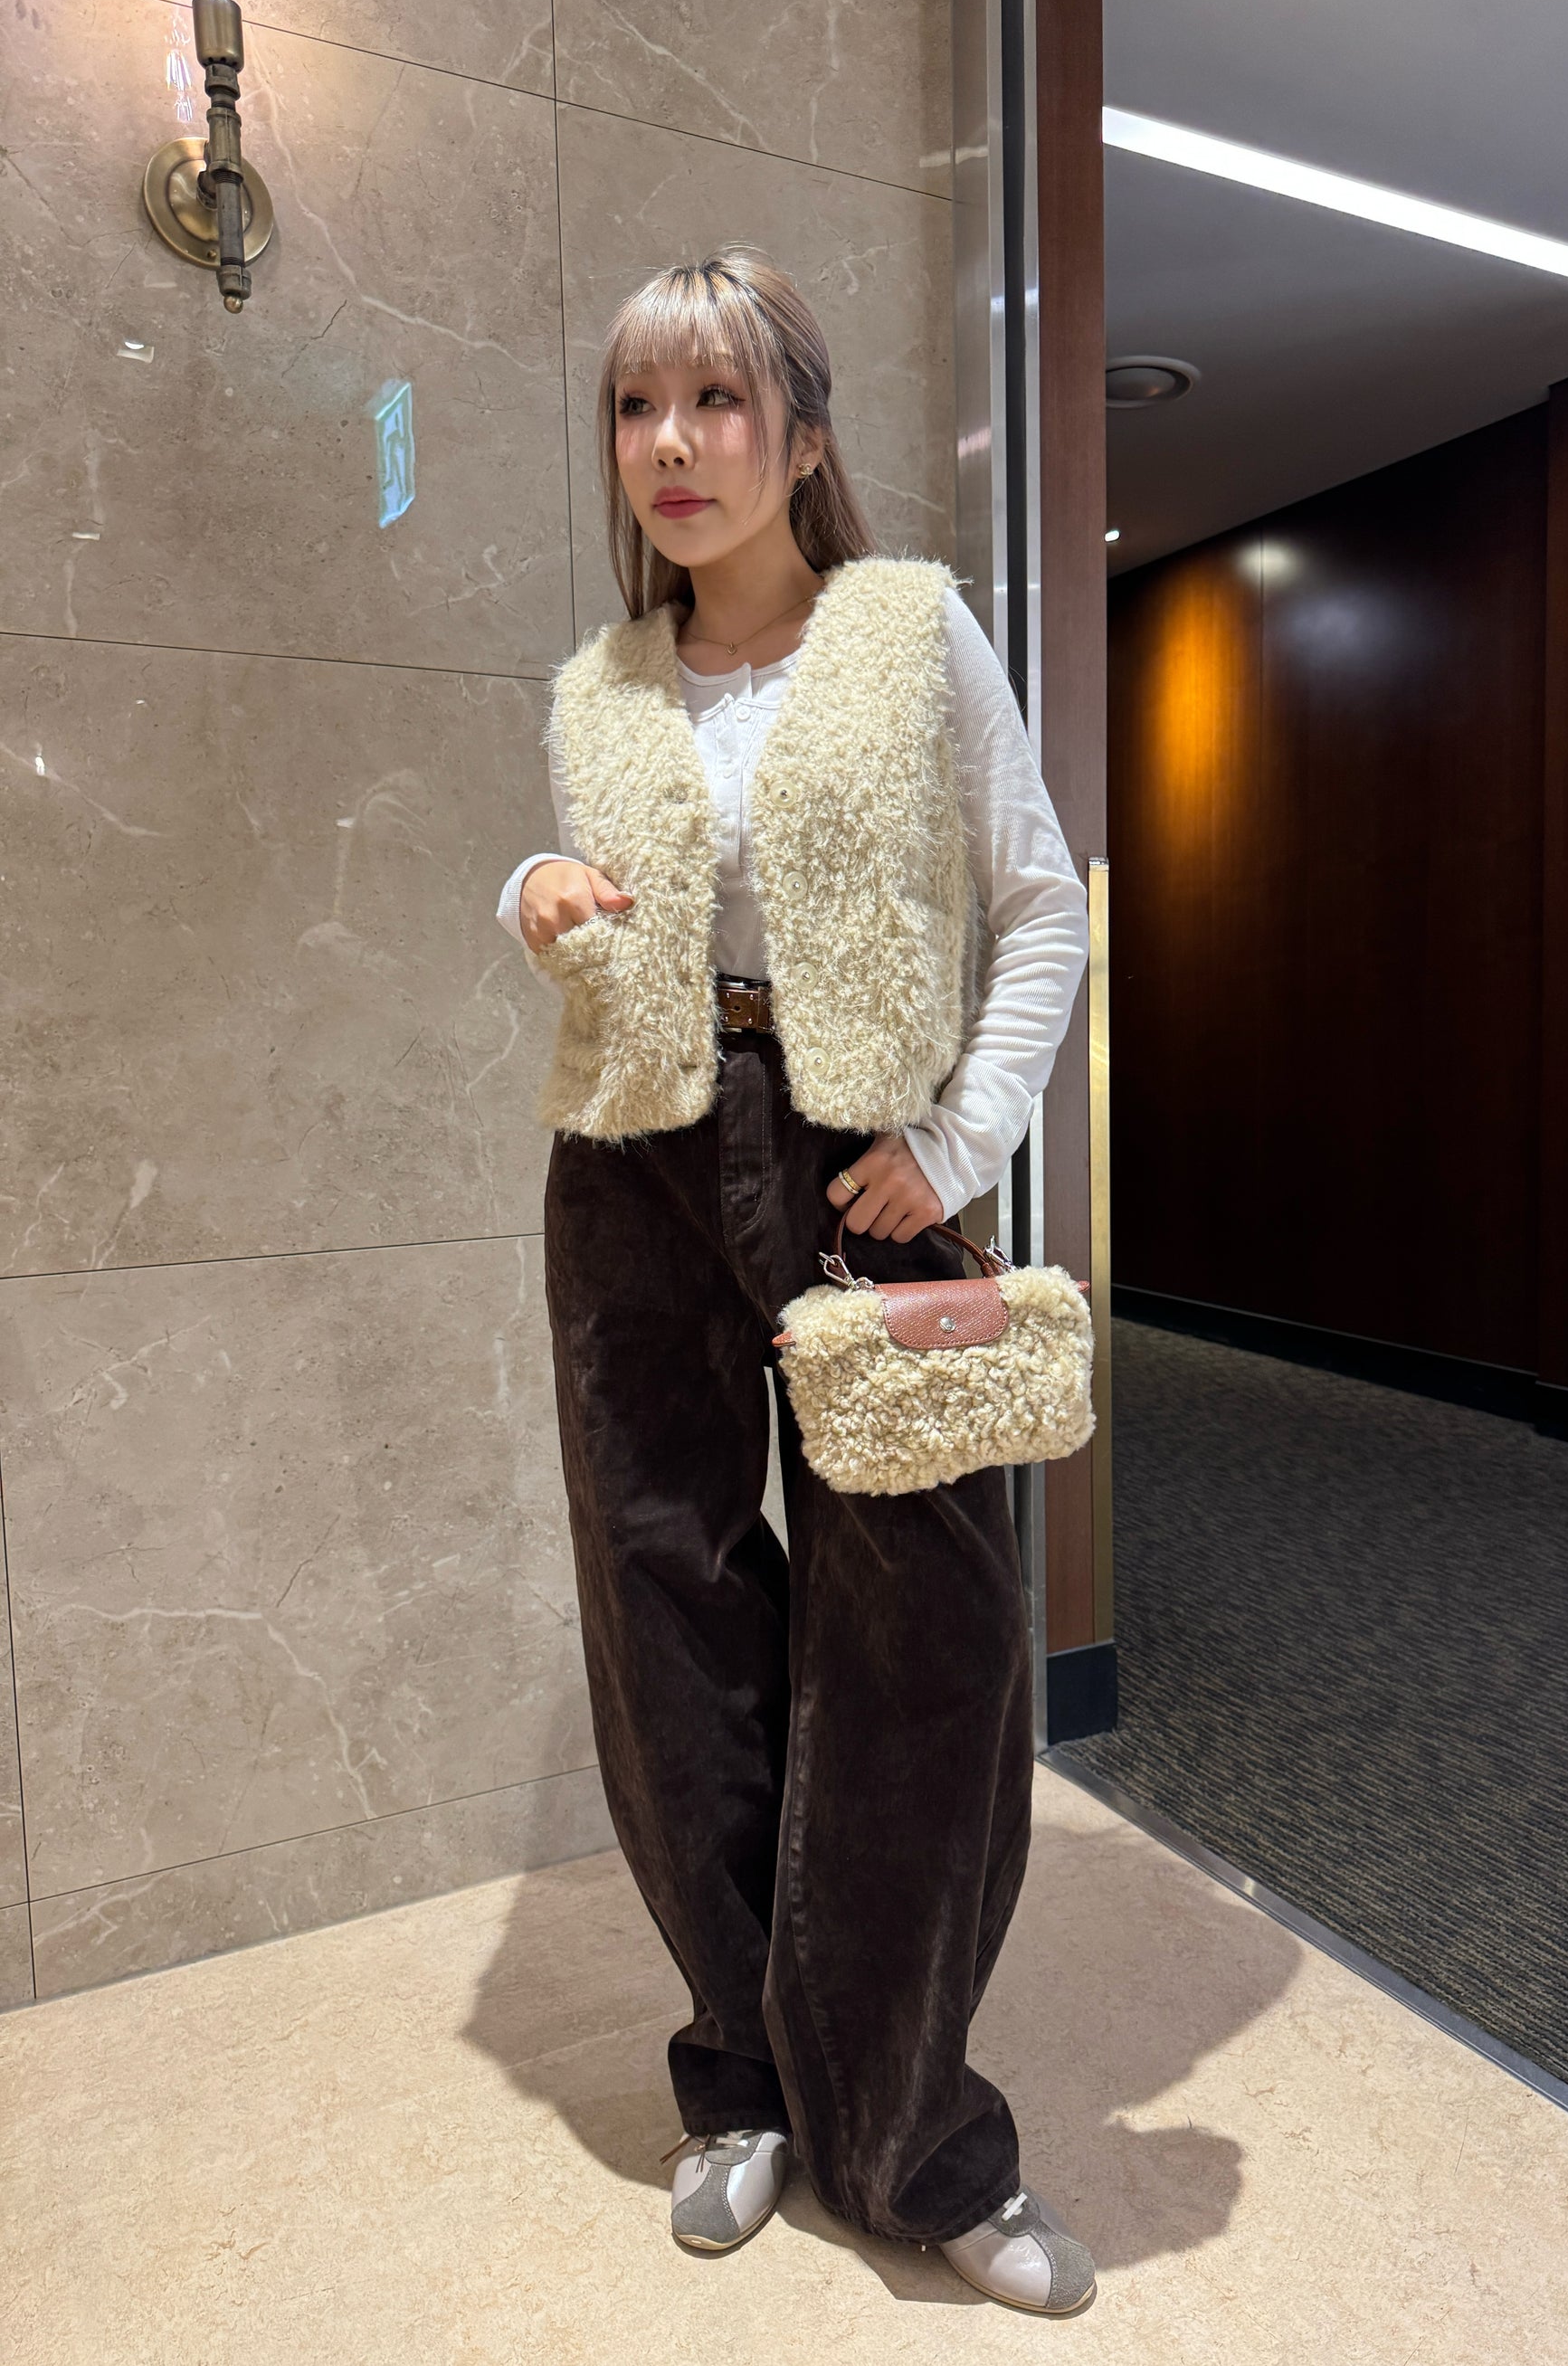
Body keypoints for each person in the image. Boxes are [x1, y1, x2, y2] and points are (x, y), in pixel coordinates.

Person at [496, 247, 1093, 2315]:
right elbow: (611, 906)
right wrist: (530, 884)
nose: (670, 445)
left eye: (718, 400)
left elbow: (1039, 905)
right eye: (635, 406)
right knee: (665, 1612)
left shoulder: (909, 628)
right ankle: (742, 2072)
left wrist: (959, 1144)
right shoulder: (601, 682)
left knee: (926, 1636)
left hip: (862, 1161)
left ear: (804, 435)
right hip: (632, 1161)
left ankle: (913, 2133)